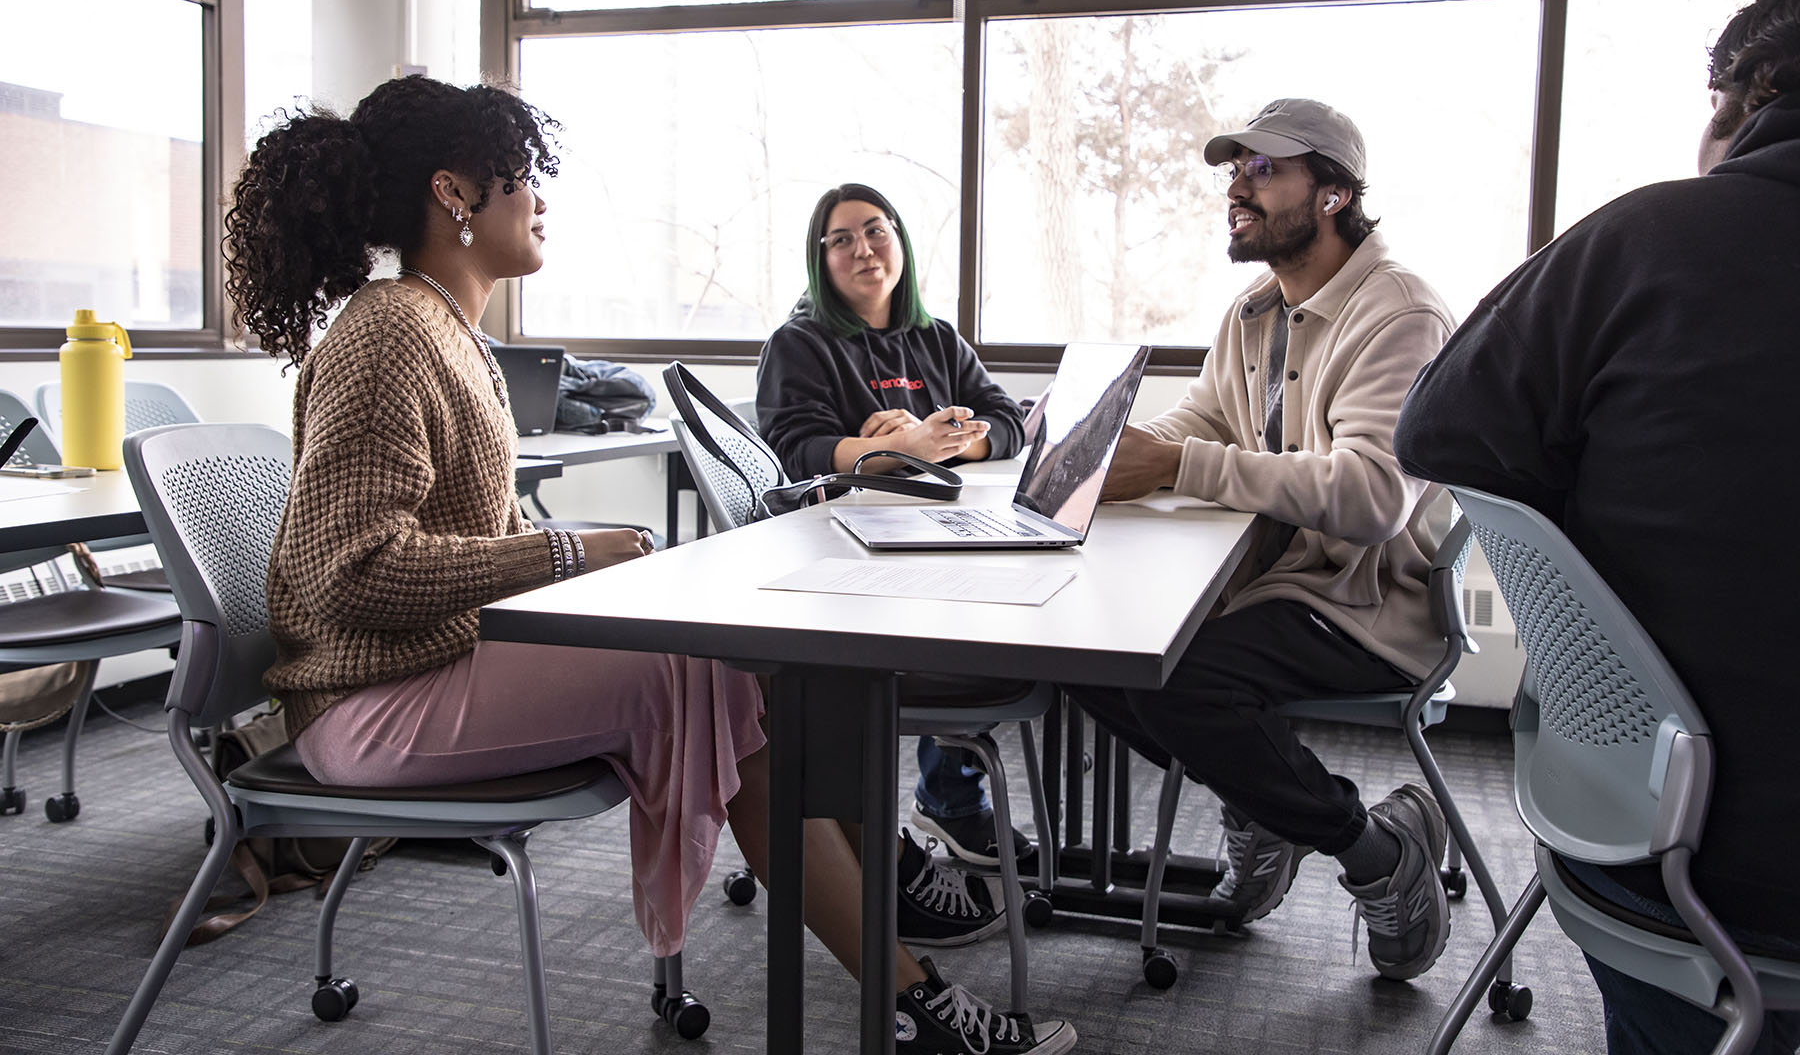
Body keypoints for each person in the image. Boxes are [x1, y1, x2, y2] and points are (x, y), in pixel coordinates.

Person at [226, 76, 1074, 1055]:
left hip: (430, 671)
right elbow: (349, 572)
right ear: (454, 193)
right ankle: (909, 984)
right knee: (715, 666)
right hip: (366, 708)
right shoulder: (388, 335)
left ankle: (893, 933)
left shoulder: (447, 332)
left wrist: (592, 563)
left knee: (737, 658)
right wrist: (563, 548)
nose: (538, 198)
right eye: (520, 178)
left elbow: (467, 547)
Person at [1394, 0, 1800, 1055]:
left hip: (1667, 846)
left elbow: (1423, 445)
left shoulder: (1651, 239)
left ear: (1744, 98)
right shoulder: (1256, 320)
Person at [1063, 99, 1460, 982]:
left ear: (1332, 193)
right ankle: (1265, 803)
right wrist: (1121, 454)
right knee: (1086, 650)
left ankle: (1378, 854)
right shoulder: (1255, 308)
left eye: (1262, 170)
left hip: (1371, 606)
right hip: (1279, 582)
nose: (1236, 188)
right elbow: (1204, 419)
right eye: (1233, 171)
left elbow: (1371, 496)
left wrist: (1174, 469)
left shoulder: (1398, 316)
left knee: (1180, 682)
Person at [756, 183, 1038, 879]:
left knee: (1019, 597)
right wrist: (890, 449)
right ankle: (945, 799)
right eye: (842, 239)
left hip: (939, 526)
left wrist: (947, 440)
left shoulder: (937, 338)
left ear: (901, 243)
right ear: (820, 260)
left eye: (876, 231)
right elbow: (795, 450)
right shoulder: (800, 343)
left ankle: (947, 791)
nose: (863, 250)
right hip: (843, 556)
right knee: (972, 617)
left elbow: (1007, 423)